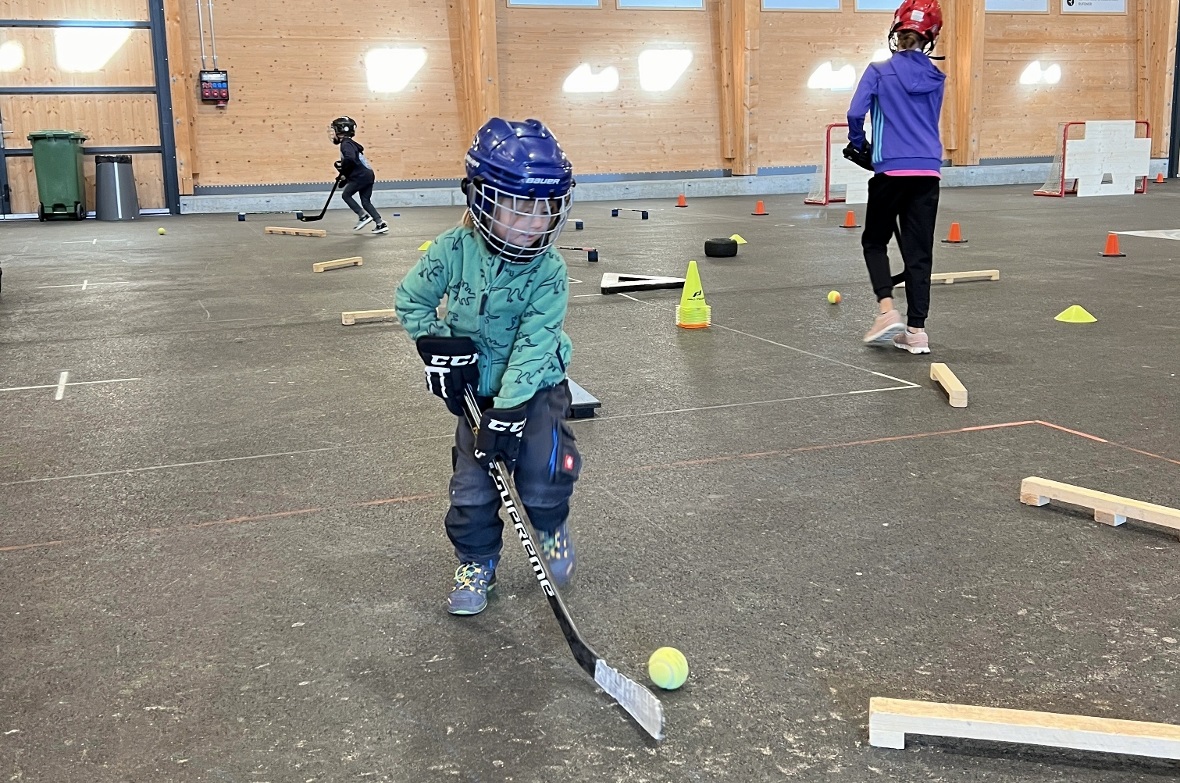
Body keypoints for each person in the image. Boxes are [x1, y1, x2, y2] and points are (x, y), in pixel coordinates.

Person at [394, 117, 581, 616]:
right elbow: (411, 301)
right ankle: (476, 561)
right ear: (480, 200)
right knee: (473, 487)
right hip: (475, 393)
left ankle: (551, 527)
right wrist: (438, 350)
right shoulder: (450, 252)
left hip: (538, 389)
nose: (536, 221)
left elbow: (536, 343)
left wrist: (513, 409)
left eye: (547, 208)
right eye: (519, 208)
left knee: (543, 479)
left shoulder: (550, 271)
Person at [845, 0, 945, 355]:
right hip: (928, 171)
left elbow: (855, 113)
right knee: (920, 252)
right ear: (929, 37)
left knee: (874, 241)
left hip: (890, 169)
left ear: (896, 33)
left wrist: (861, 146)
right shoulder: (937, 78)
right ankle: (917, 333)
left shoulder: (878, 70)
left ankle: (887, 311)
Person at [329, 116, 387, 235]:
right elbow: (354, 163)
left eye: (334, 130)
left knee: (346, 195)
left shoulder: (345, 144)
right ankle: (380, 223)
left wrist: (344, 170)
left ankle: (363, 216)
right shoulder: (352, 143)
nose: (333, 133)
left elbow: (350, 159)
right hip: (367, 174)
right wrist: (344, 176)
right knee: (365, 201)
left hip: (361, 176)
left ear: (340, 131)